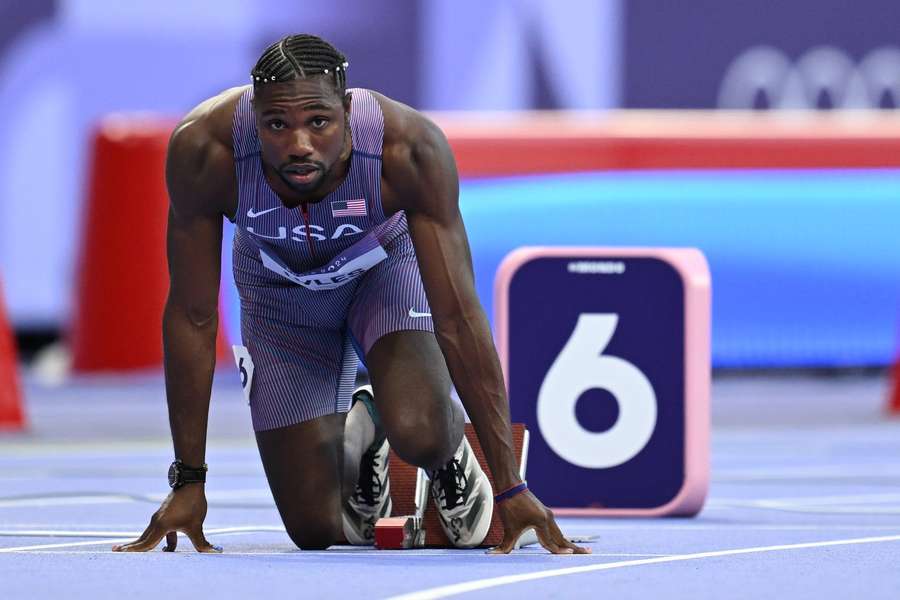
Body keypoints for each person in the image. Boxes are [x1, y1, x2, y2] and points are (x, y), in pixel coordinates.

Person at [112, 34, 588, 555]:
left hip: (379, 273)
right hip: (279, 300)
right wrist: (188, 480)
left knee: (419, 426)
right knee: (313, 529)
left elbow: (456, 316)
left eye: (318, 122)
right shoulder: (205, 150)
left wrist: (510, 487)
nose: (298, 144)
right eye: (276, 124)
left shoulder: (406, 150)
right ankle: (369, 444)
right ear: (253, 117)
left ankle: (445, 457)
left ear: (347, 108)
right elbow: (192, 316)